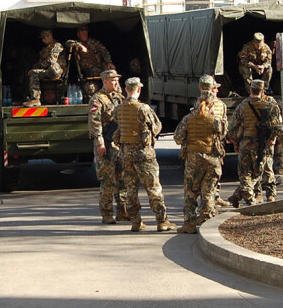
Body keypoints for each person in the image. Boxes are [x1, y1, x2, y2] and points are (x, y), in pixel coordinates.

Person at [113, 77, 176, 232]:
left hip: (126, 154)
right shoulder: (144, 109)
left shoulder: (119, 109)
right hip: (144, 155)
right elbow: (156, 126)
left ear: (126, 90)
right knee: (153, 188)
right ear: (139, 90)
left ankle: (136, 222)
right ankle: (162, 221)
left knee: (130, 189)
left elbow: (117, 125)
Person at [227, 80, 283, 208]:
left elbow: (233, 129)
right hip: (264, 144)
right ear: (263, 90)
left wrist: (236, 142)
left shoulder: (242, 106)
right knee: (265, 170)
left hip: (246, 143)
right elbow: (278, 126)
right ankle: (268, 196)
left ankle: (244, 196)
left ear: (250, 90)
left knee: (246, 173)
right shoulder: (270, 105)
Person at [174, 92, 226, 233]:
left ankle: (189, 224)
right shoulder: (215, 119)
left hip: (194, 161)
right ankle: (208, 223)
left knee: (191, 192)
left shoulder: (187, 119)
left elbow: (178, 138)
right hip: (212, 161)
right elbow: (223, 134)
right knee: (208, 192)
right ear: (211, 104)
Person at [88, 69, 127, 224]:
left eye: (117, 80)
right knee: (108, 179)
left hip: (118, 144)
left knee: (122, 178)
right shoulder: (98, 99)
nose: (116, 82)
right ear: (105, 81)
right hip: (105, 142)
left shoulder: (120, 97)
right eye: (113, 80)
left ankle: (123, 212)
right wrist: (100, 142)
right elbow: (95, 122)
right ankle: (107, 213)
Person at [197, 74, 230, 209]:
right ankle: (209, 199)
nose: (216, 90)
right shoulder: (220, 105)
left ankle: (213, 196)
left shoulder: (197, 104)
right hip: (215, 143)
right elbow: (224, 126)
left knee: (203, 173)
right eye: (215, 88)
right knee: (214, 172)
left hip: (202, 144)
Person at [65, 25, 115, 97]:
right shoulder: (76, 43)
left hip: (99, 68)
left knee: (112, 72)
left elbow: (104, 51)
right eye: (82, 32)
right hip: (87, 71)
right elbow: (68, 43)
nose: (85, 34)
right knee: (90, 89)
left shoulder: (93, 42)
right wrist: (80, 46)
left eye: (86, 32)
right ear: (78, 34)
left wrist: (109, 62)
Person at [23, 29, 66, 107]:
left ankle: (35, 99)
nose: (43, 40)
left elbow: (51, 60)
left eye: (44, 38)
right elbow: (41, 61)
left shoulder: (57, 46)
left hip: (56, 71)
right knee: (32, 72)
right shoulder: (46, 48)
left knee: (34, 74)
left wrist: (36, 69)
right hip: (50, 70)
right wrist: (34, 68)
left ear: (49, 36)